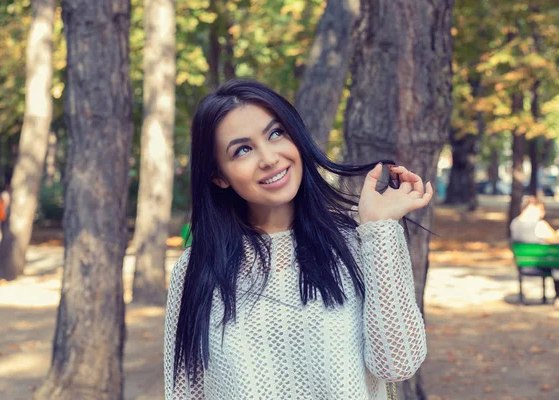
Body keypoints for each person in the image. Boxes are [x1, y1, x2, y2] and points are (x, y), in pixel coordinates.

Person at [164, 80, 433, 399]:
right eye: (243, 150)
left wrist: (380, 229)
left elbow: (397, 365)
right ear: (218, 176)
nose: (269, 158)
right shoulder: (195, 270)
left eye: (276, 133)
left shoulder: (359, 244)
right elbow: (185, 392)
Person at [510, 196, 559, 309]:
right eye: (540, 209)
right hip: (542, 265)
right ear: (531, 208)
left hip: (523, 265)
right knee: (557, 264)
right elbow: (554, 239)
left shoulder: (514, 224)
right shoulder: (539, 225)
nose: (542, 213)